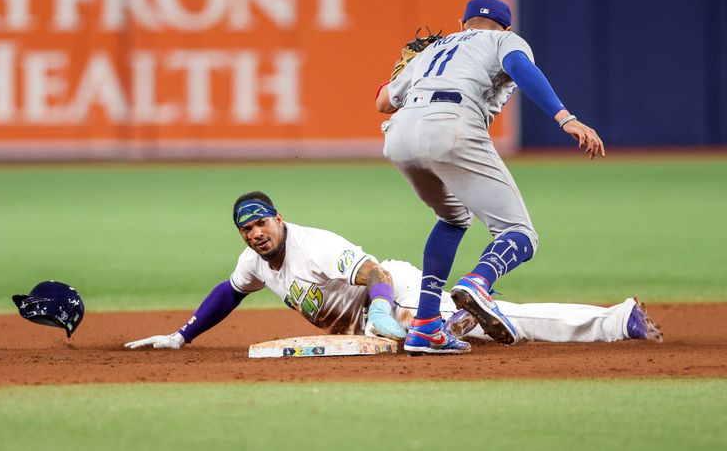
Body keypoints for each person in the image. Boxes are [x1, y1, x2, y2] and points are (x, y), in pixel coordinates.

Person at [125, 192, 661, 352]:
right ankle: (453, 323)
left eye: (261, 223)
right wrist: (182, 335)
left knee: (461, 322)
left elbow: (373, 271)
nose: (255, 234)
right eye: (246, 230)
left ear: (278, 219)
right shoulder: (254, 263)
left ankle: (617, 320)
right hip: (367, 322)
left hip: (394, 288)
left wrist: (386, 309)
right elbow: (229, 291)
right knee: (442, 330)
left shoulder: (313, 246)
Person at [374, 0, 606, 353]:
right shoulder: (504, 40)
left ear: (462, 22)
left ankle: (425, 326)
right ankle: (479, 282)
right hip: (451, 126)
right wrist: (565, 117)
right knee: (520, 233)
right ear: (507, 26)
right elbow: (521, 68)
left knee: (452, 218)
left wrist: (401, 73)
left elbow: (383, 102)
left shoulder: (432, 50)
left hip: (399, 135)